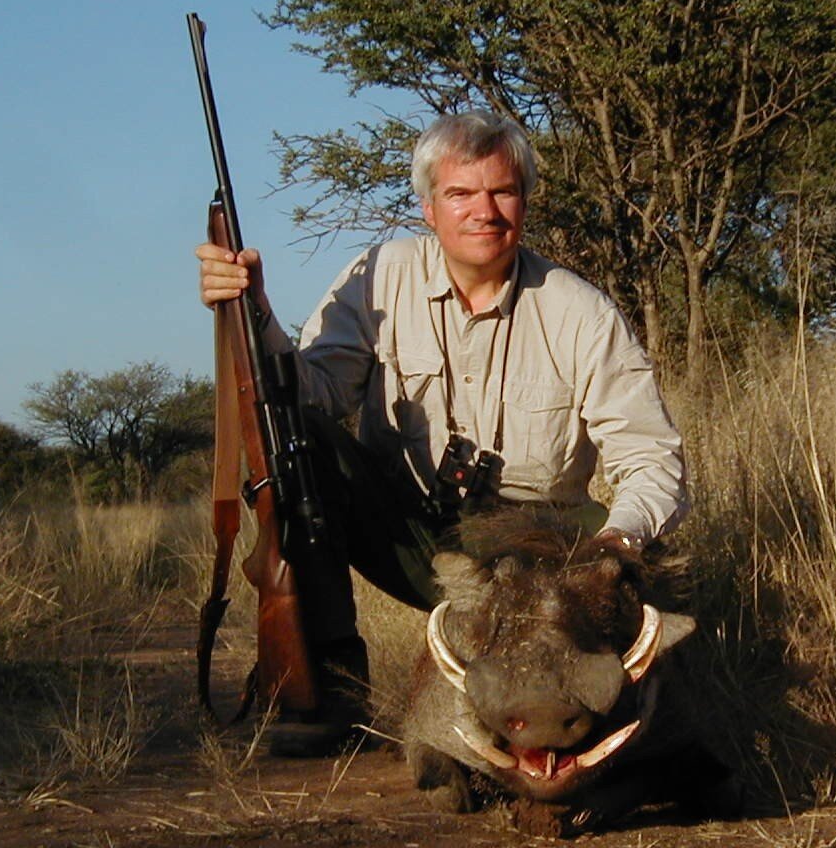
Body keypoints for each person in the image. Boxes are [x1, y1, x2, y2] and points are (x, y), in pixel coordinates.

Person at [195, 110, 688, 754]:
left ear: (525, 203)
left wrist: (616, 543)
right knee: (299, 443)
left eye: (502, 191)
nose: (484, 211)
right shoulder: (379, 274)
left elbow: (652, 458)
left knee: (640, 578)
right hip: (413, 538)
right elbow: (313, 394)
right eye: (460, 194)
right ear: (429, 209)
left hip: (537, 554)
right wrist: (250, 309)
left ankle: (599, 699)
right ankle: (332, 689)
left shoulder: (582, 311)